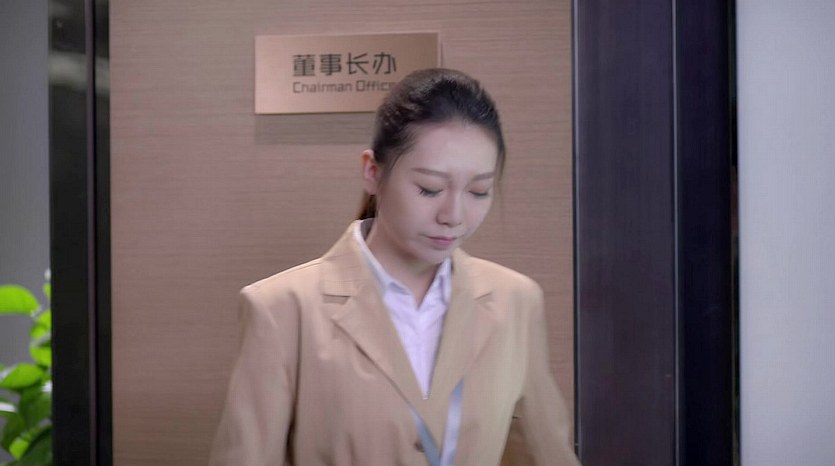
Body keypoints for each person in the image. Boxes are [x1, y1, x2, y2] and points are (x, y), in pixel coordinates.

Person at [209, 68, 580, 466]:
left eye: (479, 191)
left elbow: (545, 455)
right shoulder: (281, 309)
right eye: (429, 189)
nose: (454, 216)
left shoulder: (516, 302)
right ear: (373, 172)